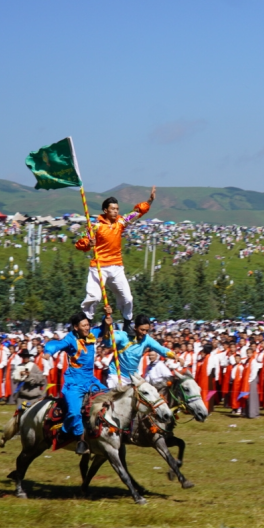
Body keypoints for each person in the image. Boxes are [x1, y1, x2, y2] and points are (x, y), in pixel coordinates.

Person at [74, 188, 156, 335]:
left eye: (117, 209)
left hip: (116, 266)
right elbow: (81, 243)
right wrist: (88, 244)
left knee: (128, 298)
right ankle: (85, 324)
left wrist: (149, 201)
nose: (116, 211)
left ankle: (127, 323)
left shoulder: (121, 222)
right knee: (94, 297)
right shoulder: (95, 226)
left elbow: (136, 213)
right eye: (112, 209)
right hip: (99, 266)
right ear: (105, 210)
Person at [43, 310, 112, 455]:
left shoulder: (91, 334)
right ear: (76, 327)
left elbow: (103, 329)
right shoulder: (70, 339)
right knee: (74, 413)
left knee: (111, 399)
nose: (87, 328)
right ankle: (79, 439)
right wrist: (48, 352)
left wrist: (106, 317)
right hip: (74, 383)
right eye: (84, 326)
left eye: (88, 325)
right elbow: (56, 345)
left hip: (91, 381)